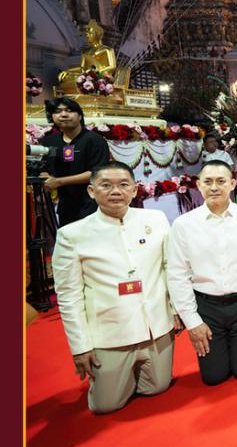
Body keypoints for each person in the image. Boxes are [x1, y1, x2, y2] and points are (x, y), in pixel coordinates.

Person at [51, 162, 180, 413]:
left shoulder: (155, 219)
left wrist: (176, 310)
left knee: (157, 388)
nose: (115, 191)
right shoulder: (72, 235)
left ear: (134, 189)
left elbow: (170, 267)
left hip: (156, 328)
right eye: (106, 185)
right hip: (110, 334)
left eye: (123, 185)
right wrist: (80, 346)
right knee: (106, 405)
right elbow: (69, 296)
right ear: (92, 191)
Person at [166, 161, 237, 386]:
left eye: (221, 181)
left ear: (233, 184)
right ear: (198, 185)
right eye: (208, 182)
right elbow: (177, 275)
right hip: (206, 306)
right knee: (213, 377)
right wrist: (192, 321)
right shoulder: (183, 225)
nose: (214, 187)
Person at [39, 97, 111, 227]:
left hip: (91, 204)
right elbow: (47, 166)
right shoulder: (51, 142)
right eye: (58, 111)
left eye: (69, 110)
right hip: (65, 206)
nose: (63, 115)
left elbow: (97, 173)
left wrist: (59, 181)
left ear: (79, 116)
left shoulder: (94, 140)